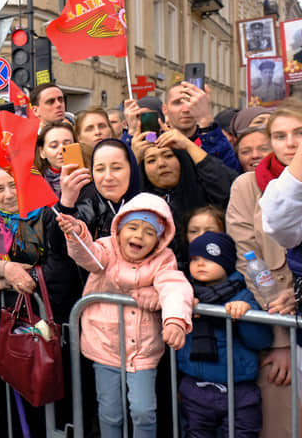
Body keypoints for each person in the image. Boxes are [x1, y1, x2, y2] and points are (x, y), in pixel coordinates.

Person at [56, 194, 193, 438]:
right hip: (104, 345)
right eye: (132, 227)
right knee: (110, 412)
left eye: (149, 232)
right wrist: (76, 232)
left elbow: (175, 287)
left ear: (160, 240)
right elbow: (88, 255)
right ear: (118, 229)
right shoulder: (107, 248)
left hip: (143, 351)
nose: (139, 236)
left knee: (143, 411)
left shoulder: (163, 260)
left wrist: (175, 320)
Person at [0, 163, 82, 437]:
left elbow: (61, 268)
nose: (8, 194)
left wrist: (21, 280)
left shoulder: (49, 212)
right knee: (17, 393)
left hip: (55, 321)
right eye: (0, 188)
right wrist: (4, 270)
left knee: (57, 392)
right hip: (13, 324)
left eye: (13, 184)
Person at [227, 99, 302, 438]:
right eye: (281, 135)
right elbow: (250, 258)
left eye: (299, 133)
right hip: (280, 317)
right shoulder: (247, 186)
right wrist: (280, 330)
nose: (291, 143)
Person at [177, 231, 273, 438]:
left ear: (227, 261)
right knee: (195, 433)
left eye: (210, 257)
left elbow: (261, 340)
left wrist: (246, 314)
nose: (200, 264)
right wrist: (182, 306)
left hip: (238, 389)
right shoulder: (184, 293)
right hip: (195, 386)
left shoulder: (244, 294)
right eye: (194, 259)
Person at [134, 125, 238, 268]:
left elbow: (229, 186)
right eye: (151, 160)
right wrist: (133, 158)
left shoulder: (205, 190)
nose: (161, 164)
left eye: (169, 156)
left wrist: (187, 145)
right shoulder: (137, 202)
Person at [58, 138, 141, 240]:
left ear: (132, 169)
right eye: (100, 169)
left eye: (116, 168)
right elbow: (59, 252)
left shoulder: (153, 207)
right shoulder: (86, 206)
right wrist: (67, 203)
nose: (108, 177)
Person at [160, 81, 240, 172]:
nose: (186, 109)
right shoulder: (156, 145)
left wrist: (206, 121)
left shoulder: (213, 140)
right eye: (177, 103)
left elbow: (229, 176)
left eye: (191, 101)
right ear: (165, 109)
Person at [34, 121, 76, 198]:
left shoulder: (91, 176)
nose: (61, 151)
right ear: (42, 152)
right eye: (54, 146)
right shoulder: (35, 184)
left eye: (67, 144)